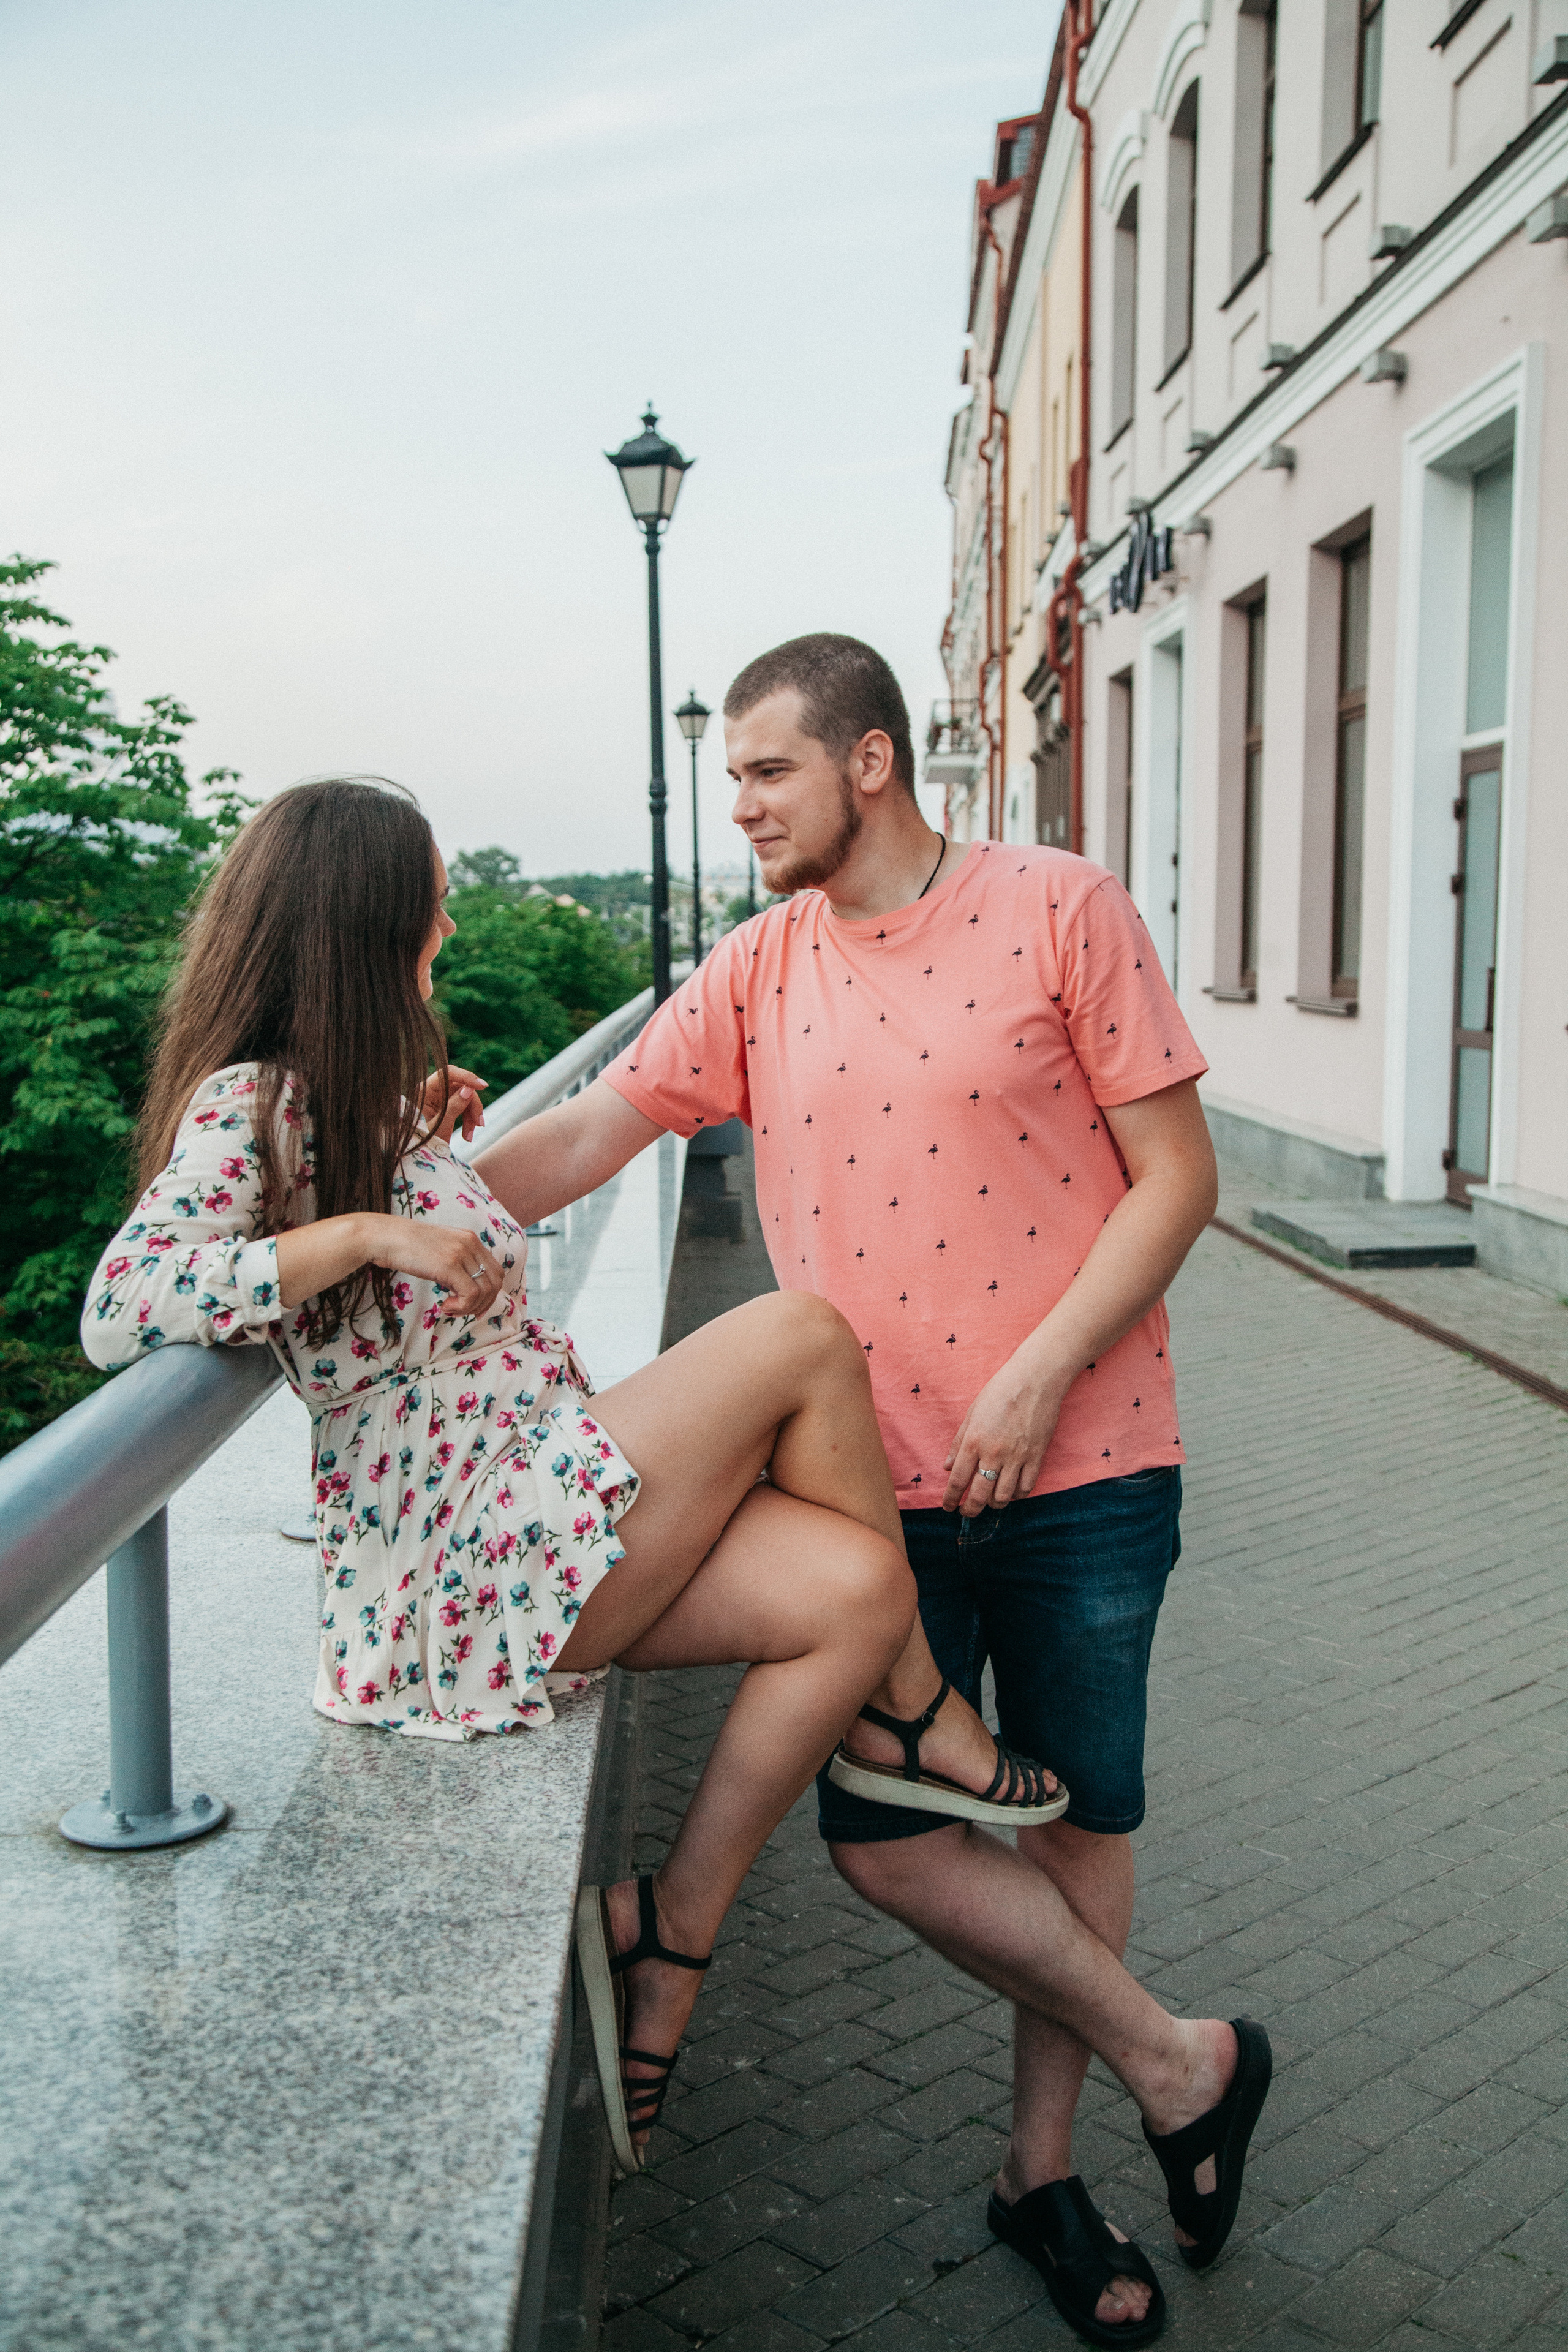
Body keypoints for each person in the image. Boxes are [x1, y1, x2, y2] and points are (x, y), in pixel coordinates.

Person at [80, 774, 1072, 2183]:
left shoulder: (349, 1105)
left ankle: (664, 1933)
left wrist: (418, 1159)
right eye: (430, 904)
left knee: (854, 1586)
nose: (446, 924)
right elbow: (121, 1307)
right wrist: (369, 1228)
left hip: (526, 1512)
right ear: (365, 924)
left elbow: (412, 1280)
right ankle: (917, 1722)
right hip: (460, 1556)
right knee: (800, 1332)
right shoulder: (249, 1098)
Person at [475, 637, 1271, 2342]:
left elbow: (1177, 1177)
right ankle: (1184, 2066)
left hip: (1088, 1460)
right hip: (862, 1490)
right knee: (888, 1844)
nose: (742, 807)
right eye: (730, 779)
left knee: (1079, 1823)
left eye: (767, 772)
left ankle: (1039, 2176)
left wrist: (1039, 1370)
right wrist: (409, 1200)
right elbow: (589, 1138)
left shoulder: (1061, 908)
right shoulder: (757, 967)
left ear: (871, 760)